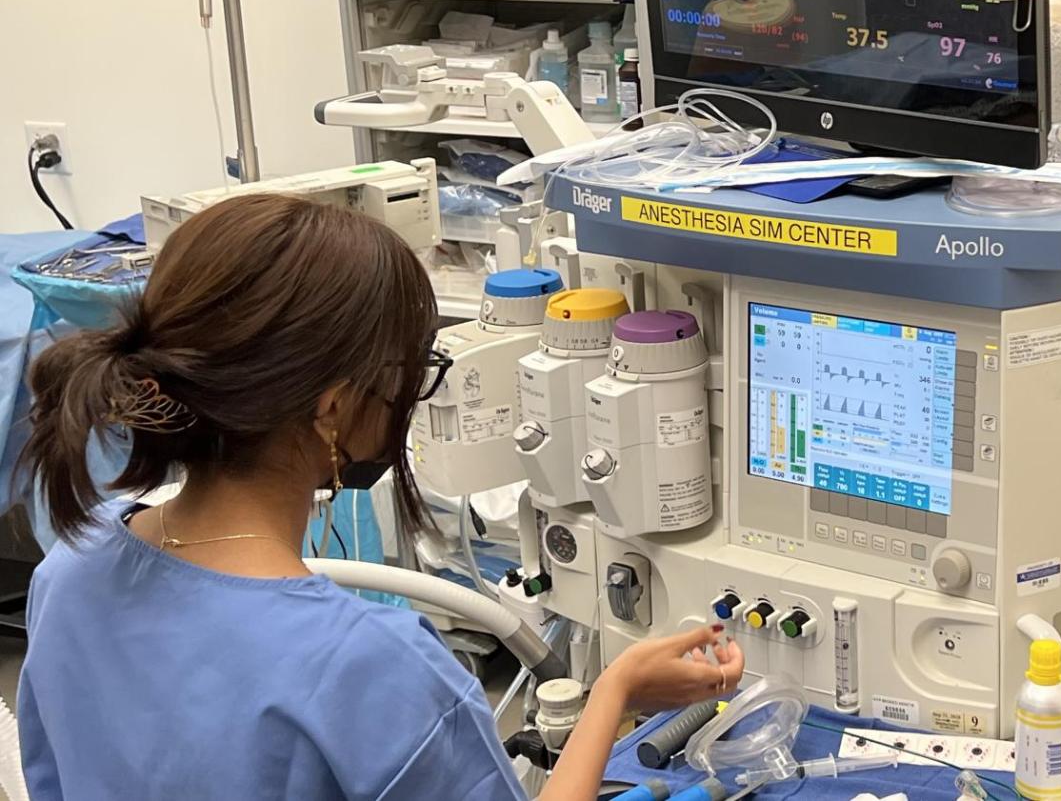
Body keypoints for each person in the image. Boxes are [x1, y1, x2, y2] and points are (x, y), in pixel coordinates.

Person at [15, 193, 743, 800]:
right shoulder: (371, 669)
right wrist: (612, 691)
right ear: (332, 410)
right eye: (410, 371)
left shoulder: (73, 568)